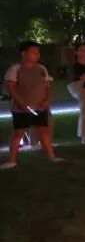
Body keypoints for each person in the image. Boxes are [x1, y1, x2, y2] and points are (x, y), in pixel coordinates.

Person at [3, 41, 60, 169]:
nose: (37, 55)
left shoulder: (41, 69)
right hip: (21, 108)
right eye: (34, 52)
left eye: (38, 52)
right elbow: (11, 88)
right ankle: (12, 160)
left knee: (44, 131)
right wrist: (21, 103)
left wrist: (47, 101)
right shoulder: (15, 69)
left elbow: (47, 86)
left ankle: (52, 157)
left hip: (40, 107)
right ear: (24, 53)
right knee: (18, 133)